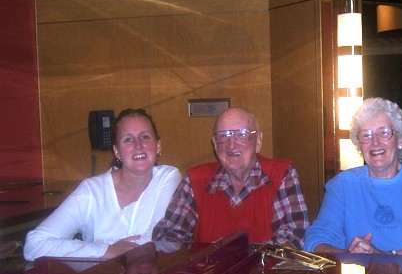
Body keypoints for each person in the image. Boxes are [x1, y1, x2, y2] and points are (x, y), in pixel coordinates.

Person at [23, 109, 181, 261]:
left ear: (158, 145)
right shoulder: (91, 191)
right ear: (117, 151)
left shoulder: (168, 177)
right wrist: (104, 250)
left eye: (145, 137)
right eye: (128, 139)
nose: (138, 145)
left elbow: (156, 236)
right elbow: (34, 245)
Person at [303, 97, 402, 257]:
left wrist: (380, 258)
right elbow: (314, 243)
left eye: (384, 133)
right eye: (366, 135)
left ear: (400, 140)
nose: (375, 142)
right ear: (359, 146)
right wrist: (350, 255)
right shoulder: (343, 184)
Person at [152, 107, 309, 248]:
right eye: (224, 135)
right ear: (215, 144)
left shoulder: (281, 174)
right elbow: (166, 235)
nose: (232, 144)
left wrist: (234, 255)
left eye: (242, 134)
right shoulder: (195, 180)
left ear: (258, 141)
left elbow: (294, 236)